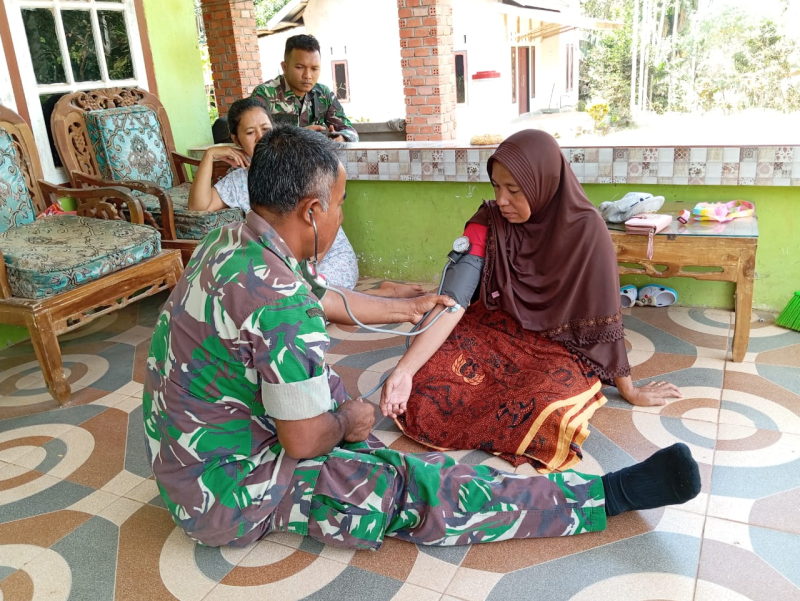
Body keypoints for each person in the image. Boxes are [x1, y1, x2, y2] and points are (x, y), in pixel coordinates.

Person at [143, 126, 700, 550]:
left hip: (189, 453)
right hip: (226, 495)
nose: (340, 215)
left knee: (334, 387)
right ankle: (610, 496)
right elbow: (304, 441)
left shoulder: (235, 241)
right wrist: (348, 424)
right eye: (340, 204)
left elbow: (325, 298)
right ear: (312, 211)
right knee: (407, 485)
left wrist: (406, 308)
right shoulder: (277, 301)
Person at [380, 129, 684, 472]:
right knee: (423, 380)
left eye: (514, 189)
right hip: (495, 334)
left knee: (543, 408)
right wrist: (404, 371)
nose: (502, 199)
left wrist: (629, 389)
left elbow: (606, 320)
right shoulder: (488, 223)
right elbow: (453, 300)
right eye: (496, 187)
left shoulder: (587, 232)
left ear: (545, 183)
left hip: (556, 348)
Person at [187, 97, 398, 292]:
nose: (260, 138)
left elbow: (328, 228)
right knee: (272, 305)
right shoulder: (239, 180)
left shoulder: (297, 166)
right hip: (283, 266)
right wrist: (210, 155)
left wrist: (305, 271)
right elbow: (199, 206)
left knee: (303, 304)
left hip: (326, 256)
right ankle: (377, 295)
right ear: (236, 138)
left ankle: (381, 295)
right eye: (250, 133)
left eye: (265, 129)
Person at [252, 34, 358, 143]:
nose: (307, 75)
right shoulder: (265, 94)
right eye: (300, 67)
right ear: (284, 67)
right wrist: (296, 136)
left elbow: (350, 131)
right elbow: (254, 139)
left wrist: (342, 138)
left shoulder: (323, 94)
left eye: (314, 68)